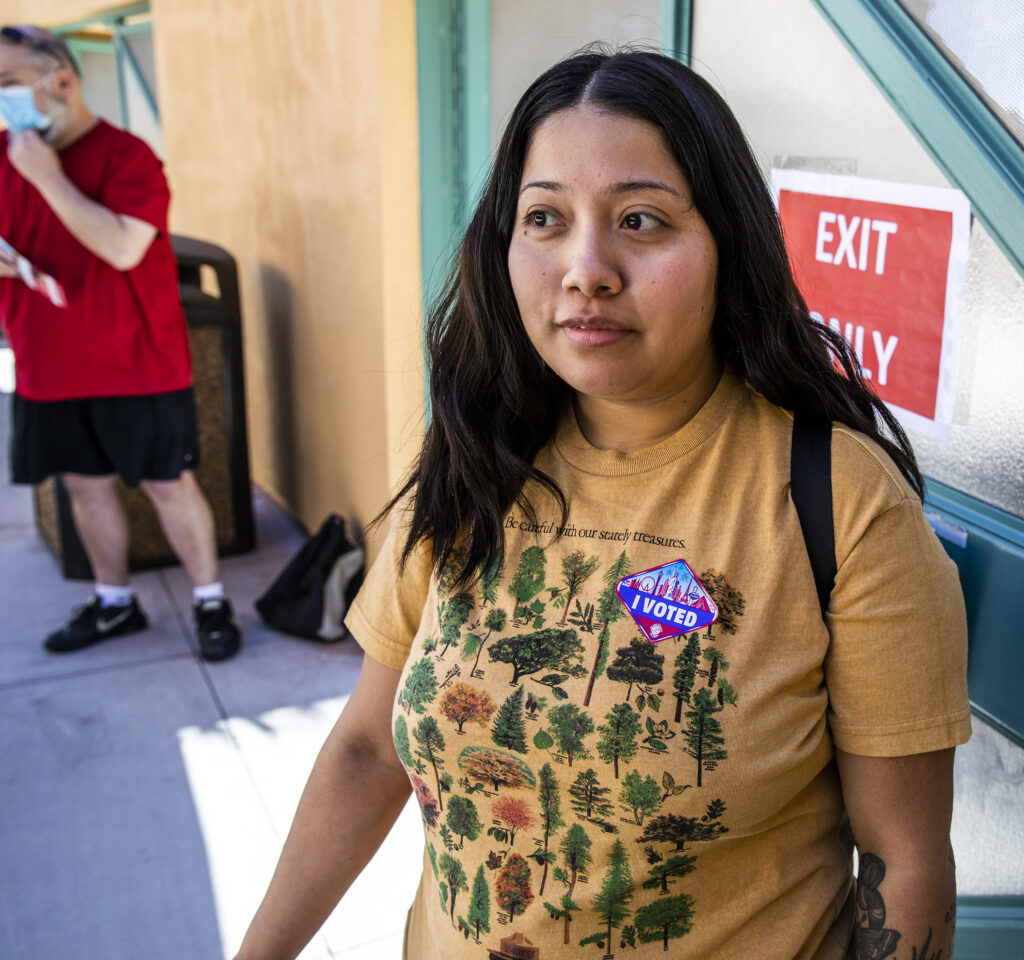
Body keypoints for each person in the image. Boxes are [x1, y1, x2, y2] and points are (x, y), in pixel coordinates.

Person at [235, 49, 970, 959]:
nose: (586, 268)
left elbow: (905, 861)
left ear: (725, 246)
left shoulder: (839, 503)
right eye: (545, 218)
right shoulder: (473, 463)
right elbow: (367, 750)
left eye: (640, 220)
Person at [0, 25, 241, 662]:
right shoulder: (4, 153)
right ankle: (115, 604)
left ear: (62, 82)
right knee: (84, 485)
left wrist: (47, 178)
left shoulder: (128, 156)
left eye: (7, 85)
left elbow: (122, 246)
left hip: (139, 363)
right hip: (46, 361)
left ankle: (210, 599)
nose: (2, 103)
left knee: (169, 484)